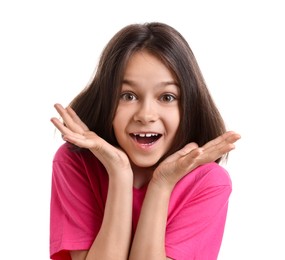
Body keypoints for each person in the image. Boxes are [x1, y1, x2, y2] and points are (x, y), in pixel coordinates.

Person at [49, 22, 241, 260]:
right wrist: (119, 173)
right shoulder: (76, 163)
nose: (146, 115)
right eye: (128, 96)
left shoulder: (209, 183)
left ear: (188, 106)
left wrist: (162, 184)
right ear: (107, 100)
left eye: (167, 97)